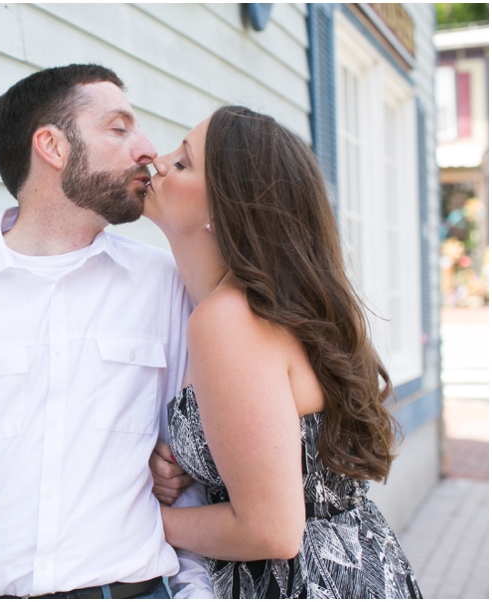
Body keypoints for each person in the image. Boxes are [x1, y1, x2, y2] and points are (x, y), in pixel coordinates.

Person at [0, 64, 212, 599]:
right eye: (119, 127)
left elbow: (189, 463)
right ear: (52, 147)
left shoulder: (163, 285)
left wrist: (198, 592)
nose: (147, 149)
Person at [144, 105, 422, 598]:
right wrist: (198, 459)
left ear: (225, 211)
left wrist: (150, 521)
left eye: (183, 162)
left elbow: (270, 529)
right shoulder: (266, 310)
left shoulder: (227, 321)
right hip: (362, 566)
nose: (158, 161)